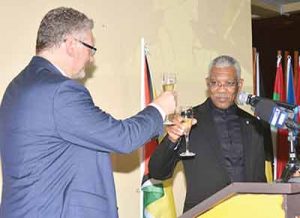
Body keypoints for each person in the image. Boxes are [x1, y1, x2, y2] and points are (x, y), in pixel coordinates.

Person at [0, 7, 176, 218]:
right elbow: (122, 137)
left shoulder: (17, 87)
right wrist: (158, 109)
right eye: (91, 49)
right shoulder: (60, 91)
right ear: (71, 44)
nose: (91, 58)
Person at [149, 55, 273, 212]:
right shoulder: (188, 120)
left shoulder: (255, 125)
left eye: (229, 84)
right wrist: (172, 140)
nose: (221, 90)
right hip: (204, 213)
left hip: (249, 212)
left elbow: (260, 180)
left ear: (239, 85)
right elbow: (157, 171)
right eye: (215, 83)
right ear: (208, 83)